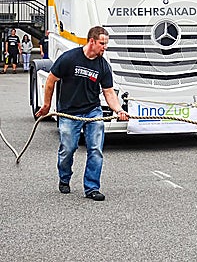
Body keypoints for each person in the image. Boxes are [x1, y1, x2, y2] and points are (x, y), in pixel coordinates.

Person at [36, 26, 128, 201]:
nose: (105, 47)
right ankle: (64, 178)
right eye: (102, 43)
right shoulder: (70, 58)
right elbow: (51, 80)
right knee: (68, 149)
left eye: (106, 44)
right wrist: (47, 105)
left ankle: (92, 188)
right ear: (91, 41)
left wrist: (118, 110)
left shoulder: (103, 66)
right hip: (69, 112)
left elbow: (109, 92)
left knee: (95, 150)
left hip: (93, 111)